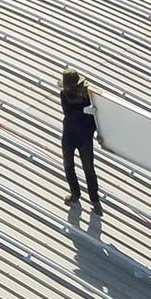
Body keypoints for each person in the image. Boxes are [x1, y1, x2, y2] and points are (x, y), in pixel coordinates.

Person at [59, 68, 99, 207]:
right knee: (68, 166)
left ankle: (94, 199)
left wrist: (97, 132)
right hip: (69, 136)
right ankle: (75, 193)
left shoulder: (87, 95)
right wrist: (84, 111)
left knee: (89, 169)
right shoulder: (64, 94)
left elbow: (97, 117)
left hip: (85, 137)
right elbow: (69, 114)